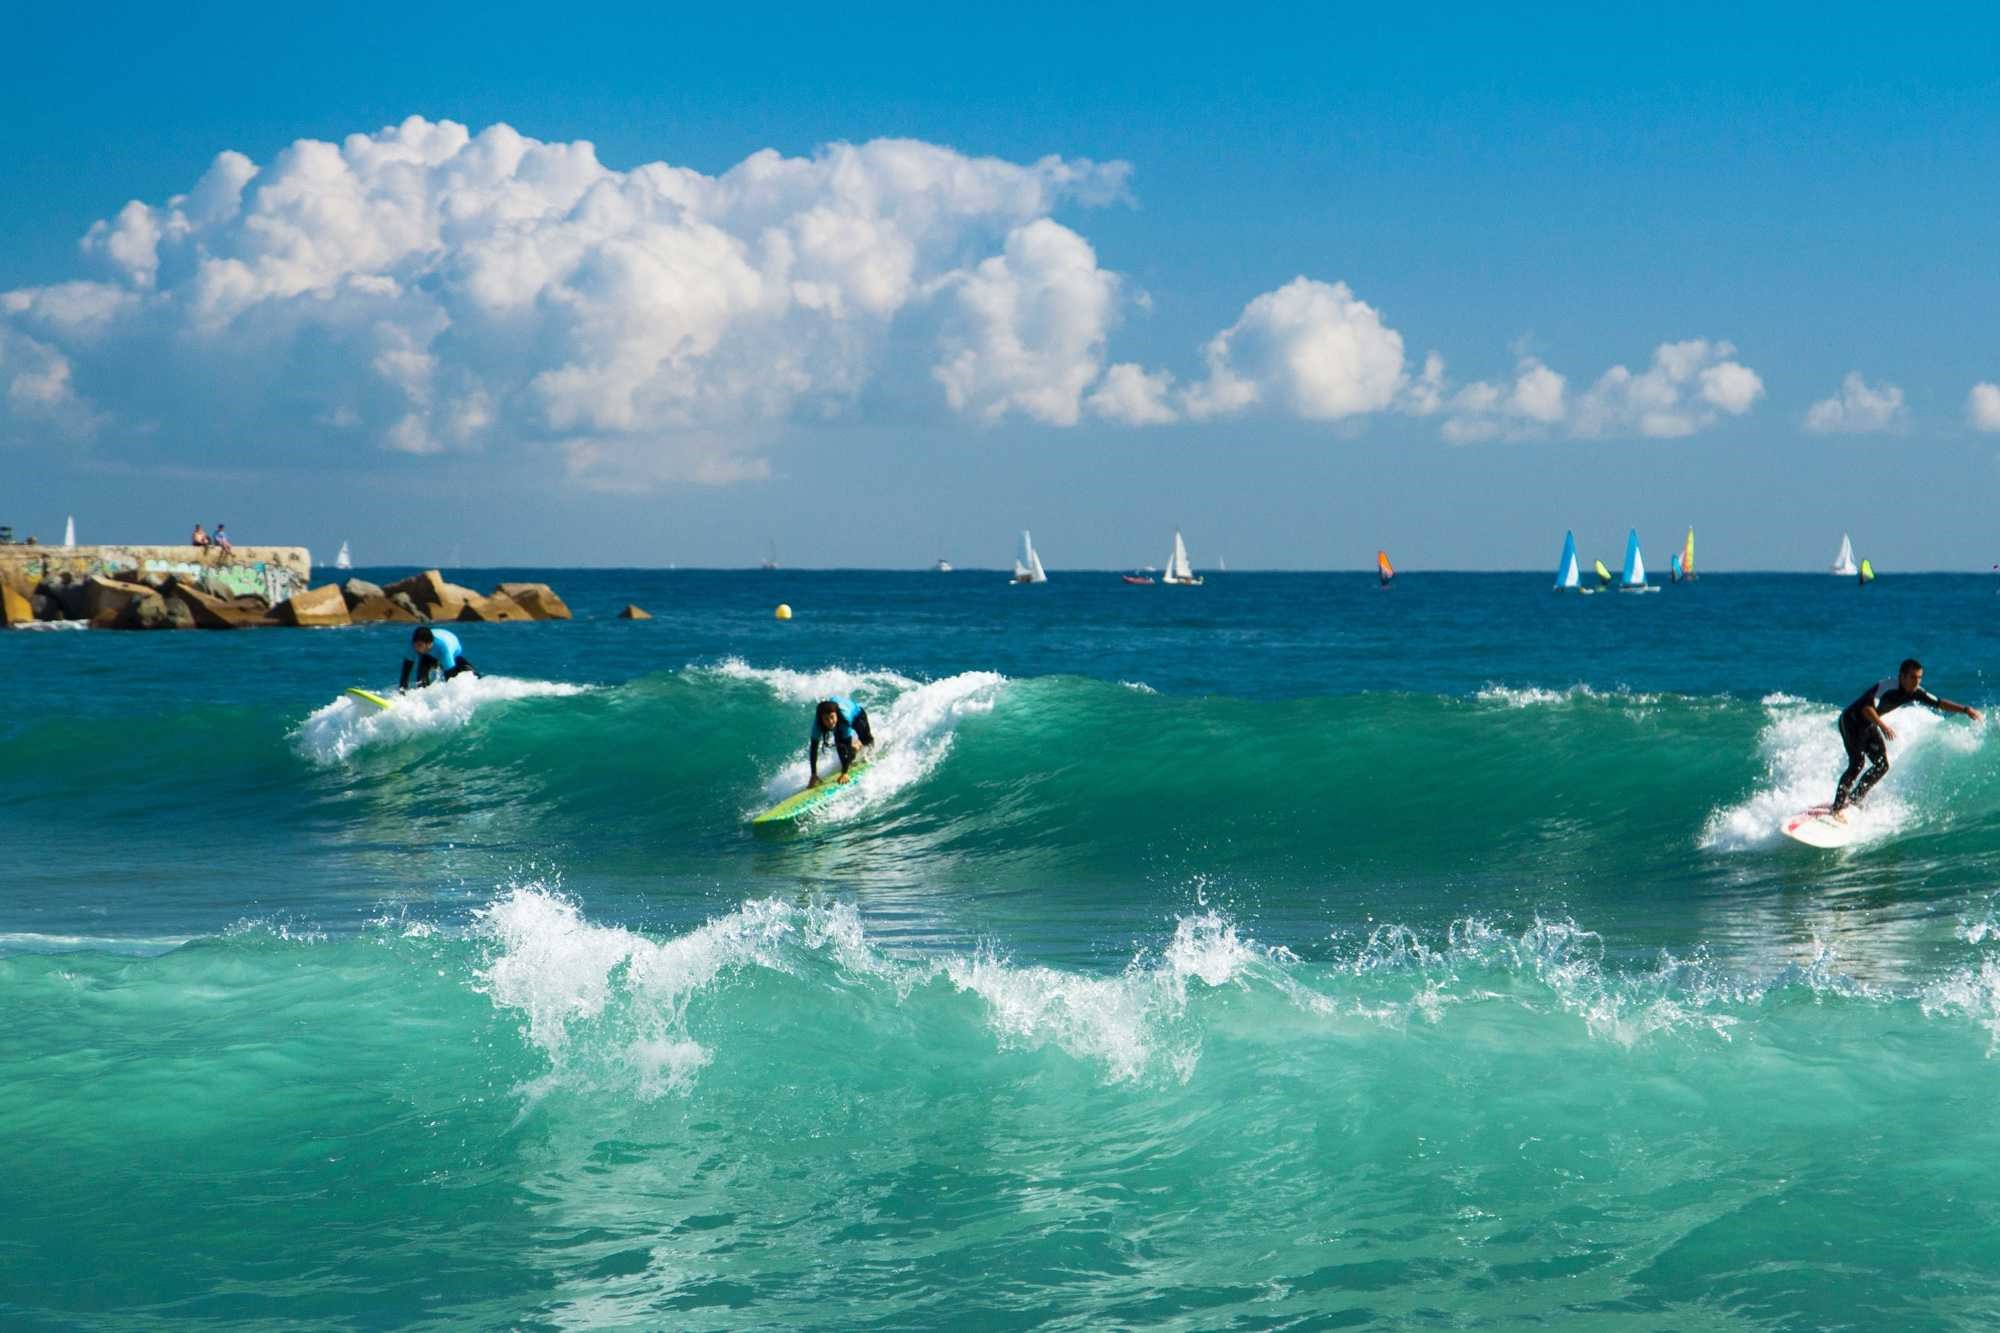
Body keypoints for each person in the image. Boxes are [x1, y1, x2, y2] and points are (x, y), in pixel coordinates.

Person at [1831, 659, 1981, 820]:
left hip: (1869, 725)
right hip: (1851, 721)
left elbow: (1939, 703)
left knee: (1882, 765)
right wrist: (1883, 725)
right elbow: (1867, 708)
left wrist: (1965, 710)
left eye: (1919, 678)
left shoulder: (1916, 691)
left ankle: (1854, 799)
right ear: (1902, 676)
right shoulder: (1887, 687)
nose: (1917, 682)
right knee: (1857, 764)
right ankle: (1836, 808)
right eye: (1913, 677)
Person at [807, 695, 874, 787]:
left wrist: (845, 773)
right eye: (826, 719)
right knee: (841, 749)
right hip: (838, 713)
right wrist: (813, 774)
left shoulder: (844, 718)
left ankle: (860, 747)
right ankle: (855, 749)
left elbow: (847, 743)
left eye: (832, 717)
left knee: (867, 740)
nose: (830, 722)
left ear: (836, 715)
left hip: (858, 714)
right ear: (821, 719)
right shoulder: (817, 725)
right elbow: (813, 750)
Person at [400, 626, 478, 691]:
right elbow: (405, 674)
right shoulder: (413, 646)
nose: (415, 648)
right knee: (421, 679)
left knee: (471, 675)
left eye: (419, 645)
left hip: (454, 653)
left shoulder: (443, 648)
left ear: (429, 644)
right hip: (428, 652)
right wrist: (402, 691)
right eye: (415, 645)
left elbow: (450, 677)